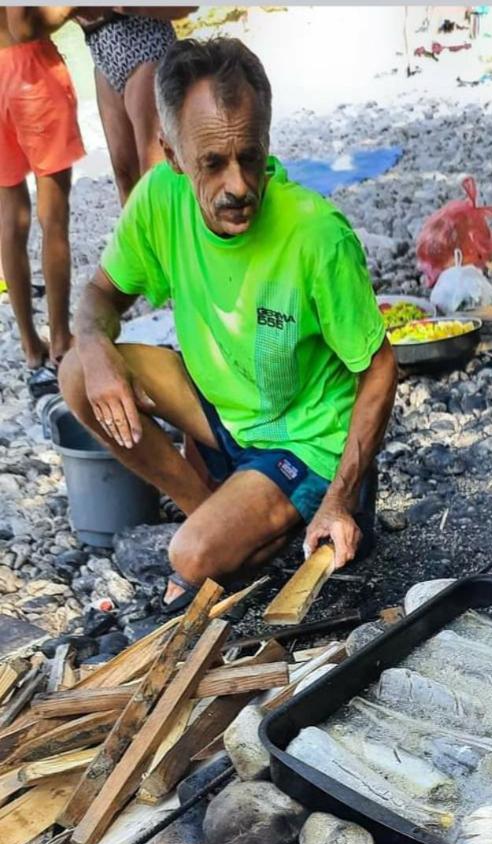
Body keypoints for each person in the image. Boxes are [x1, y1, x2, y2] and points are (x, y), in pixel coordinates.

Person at [60, 37, 397, 608]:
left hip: (304, 439)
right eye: (213, 164)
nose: (239, 185)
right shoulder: (159, 198)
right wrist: (92, 343)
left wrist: (339, 496)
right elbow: (99, 296)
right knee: (77, 373)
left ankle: (268, 518)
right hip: (223, 409)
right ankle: (210, 506)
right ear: (172, 154)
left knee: (189, 557)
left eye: (251, 157)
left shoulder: (316, 235)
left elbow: (381, 367)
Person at [0, 6, 84, 393]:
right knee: (54, 218)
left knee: (10, 218)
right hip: (30, 75)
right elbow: (23, 25)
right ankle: (62, 340)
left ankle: (31, 346)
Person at [75, 7, 196, 206]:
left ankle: (170, 232)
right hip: (101, 49)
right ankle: (136, 235)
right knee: (124, 174)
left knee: (155, 171)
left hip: (146, 42)